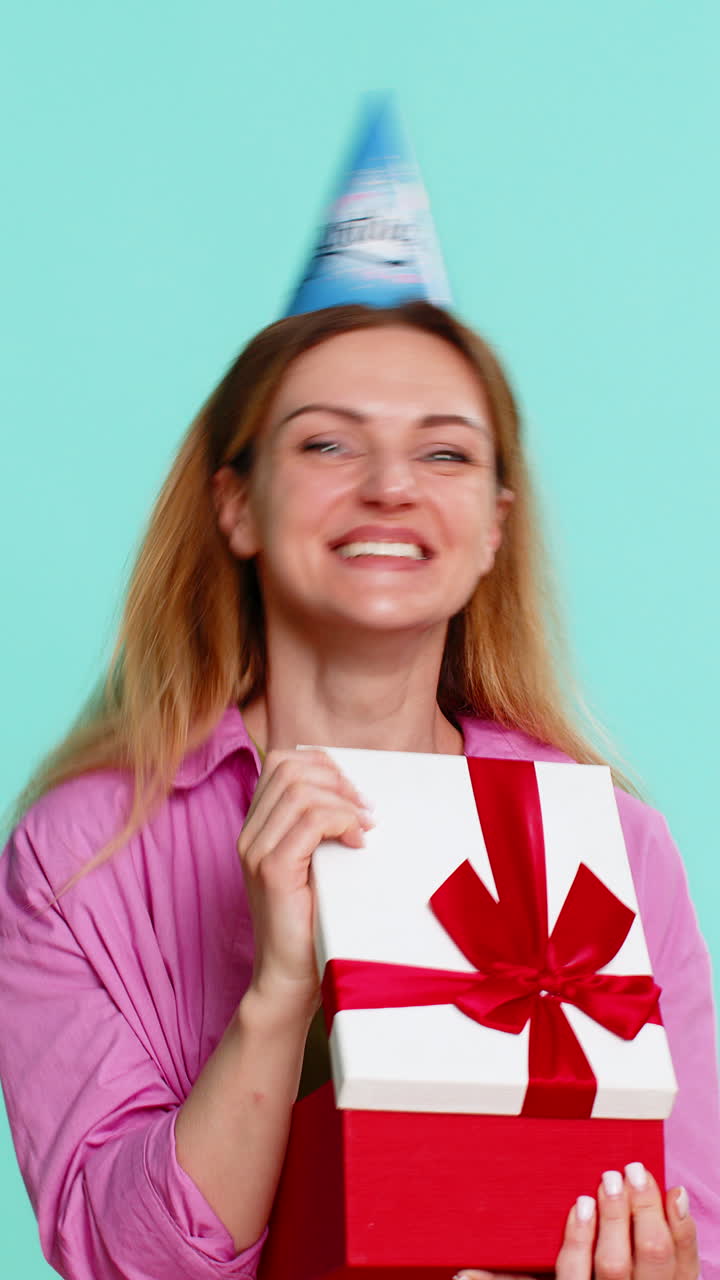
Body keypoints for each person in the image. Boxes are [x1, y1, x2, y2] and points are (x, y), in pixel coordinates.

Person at [0, 300, 718, 1280]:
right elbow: (122, 1263)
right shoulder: (82, 848)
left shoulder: (612, 844)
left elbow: (696, 1227)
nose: (390, 487)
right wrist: (279, 992)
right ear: (238, 504)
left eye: (446, 453)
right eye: (329, 442)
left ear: (494, 528)